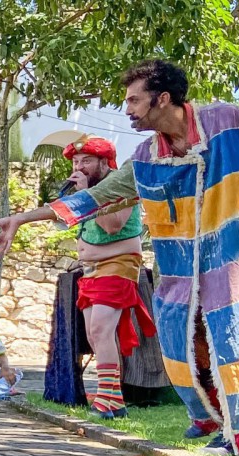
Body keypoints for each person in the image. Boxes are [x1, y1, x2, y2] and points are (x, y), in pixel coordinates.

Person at [0, 59, 239, 456]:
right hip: (183, 269)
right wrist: (22, 218)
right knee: (179, 340)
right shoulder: (147, 157)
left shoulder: (229, 122)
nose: (127, 109)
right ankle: (213, 417)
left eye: (134, 100)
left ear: (163, 98)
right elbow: (96, 198)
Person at [61, 135, 156, 420]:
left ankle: (106, 400)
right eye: (76, 162)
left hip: (117, 265)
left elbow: (113, 226)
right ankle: (113, 400)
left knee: (101, 330)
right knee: (95, 334)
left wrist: (86, 193)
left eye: (87, 161)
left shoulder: (119, 185)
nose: (80, 167)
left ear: (105, 162)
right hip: (91, 270)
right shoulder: (88, 189)